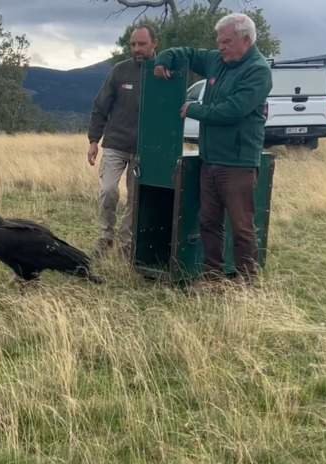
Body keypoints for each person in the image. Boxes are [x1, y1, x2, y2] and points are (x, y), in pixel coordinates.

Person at [154, 13, 271, 282]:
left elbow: (234, 110)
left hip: (238, 162)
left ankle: (246, 280)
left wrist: (194, 110)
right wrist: (164, 59)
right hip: (211, 159)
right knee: (209, 221)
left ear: (246, 39)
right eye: (219, 41)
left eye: (227, 41)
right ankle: (213, 277)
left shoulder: (258, 71)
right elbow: (189, 54)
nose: (221, 47)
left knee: (241, 226)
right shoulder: (218, 61)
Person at [87, 25, 157, 259]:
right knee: (108, 191)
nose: (137, 49)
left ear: (154, 44)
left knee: (135, 199)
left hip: (145, 149)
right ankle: (105, 237)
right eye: (133, 44)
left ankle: (127, 244)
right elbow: (100, 106)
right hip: (115, 143)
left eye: (142, 44)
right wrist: (93, 140)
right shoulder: (120, 71)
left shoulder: (163, 71)